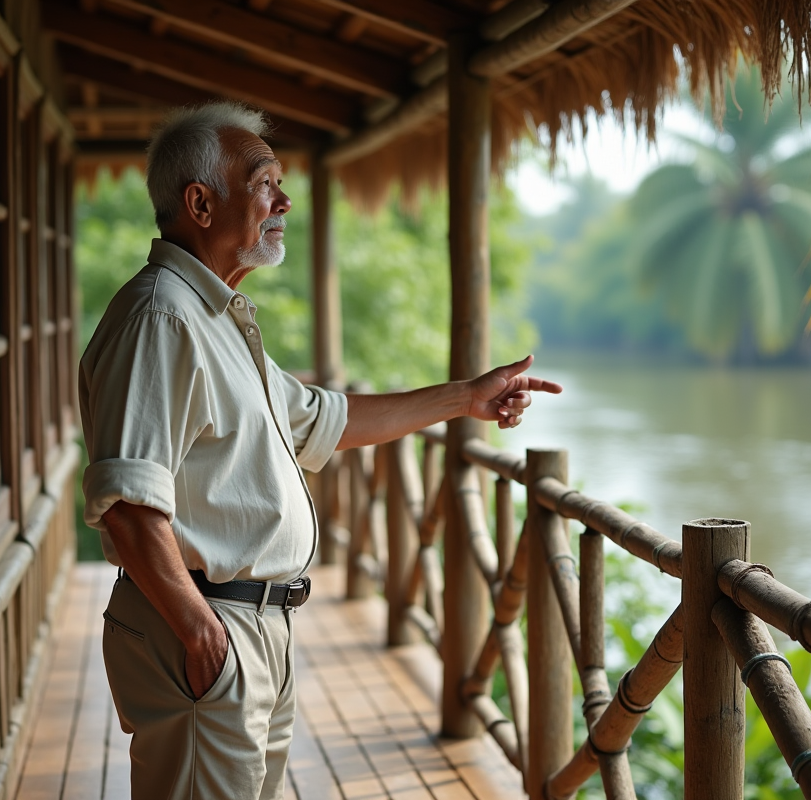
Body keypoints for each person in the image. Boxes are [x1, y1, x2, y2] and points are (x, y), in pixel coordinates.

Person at [79, 101, 562, 800]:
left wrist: (466, 399)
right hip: (210, 626)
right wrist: (200, 634)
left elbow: (327, 419)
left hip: (249, 626)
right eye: (264, 181)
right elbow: (127, 503)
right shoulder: (163, 317)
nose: (284, 199)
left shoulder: (215, 319)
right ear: (200, 204)